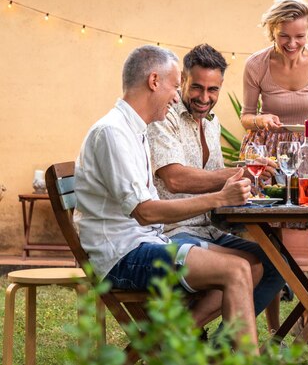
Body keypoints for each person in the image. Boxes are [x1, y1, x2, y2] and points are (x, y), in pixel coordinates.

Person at [74, 45, 258, 350]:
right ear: (154, 81)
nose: (176, 97)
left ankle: (176, 345)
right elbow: (145, 212)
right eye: (176, 86)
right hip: (122, 257)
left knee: (249, 264)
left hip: (145, 243)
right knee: (235, 269)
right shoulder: (112, 133)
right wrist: (219, 198)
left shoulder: (136, 130)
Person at [146, 44, 285, 332]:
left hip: (206, 228)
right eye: (197, 87)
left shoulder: (212, 122)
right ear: (182, 79)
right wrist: (239, 172)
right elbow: (175, 178)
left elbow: (215, 178)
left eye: (213, 90)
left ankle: (220, 345)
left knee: (276, 265)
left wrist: (248, 179)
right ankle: (174, 341)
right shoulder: (165, 117)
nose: (204, 97)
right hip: (169, 234)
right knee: (249, 265)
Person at [239, 0, 308, 355]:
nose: (293, 44)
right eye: (285, 36)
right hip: (269, 152)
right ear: (273, 30)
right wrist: (260, 120)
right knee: (271, 235)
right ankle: (274, 331)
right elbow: (246, 115)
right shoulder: (256, 65)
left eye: (299, 36)